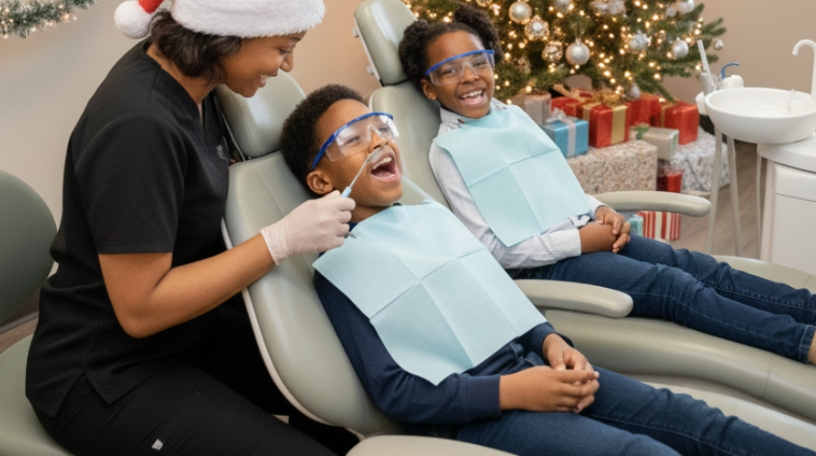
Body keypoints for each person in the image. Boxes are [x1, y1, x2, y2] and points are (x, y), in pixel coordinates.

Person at [279, 84, 816, 456]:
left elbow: (502, 295)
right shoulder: (340, 270)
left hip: (538, 365)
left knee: (696, 420)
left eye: (380, 127)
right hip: (478, 415)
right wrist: (514, 392)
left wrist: (551, 341)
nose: (378, 140)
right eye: (353, 138)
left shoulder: (427, 218)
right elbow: (396, 393)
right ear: (321, 182)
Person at [25, 0, 360, 456]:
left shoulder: (199, 85)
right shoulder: (140, 126)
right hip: (105, 374)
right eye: (282, 47)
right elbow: (141, 310)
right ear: (227, 33)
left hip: (186, 332)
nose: (287, 65)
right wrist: (278, 241)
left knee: (345, 389)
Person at [395, 4, 816, 365]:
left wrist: (598, 209)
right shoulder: (447, 152)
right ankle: (802, 342)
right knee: (673, 286)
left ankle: (809, 309)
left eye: (478, 62)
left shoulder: (511, 116)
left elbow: (556, 183)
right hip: (548, 263)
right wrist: (580, 241)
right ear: (429, 87)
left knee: (694, 264)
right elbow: (491, 250)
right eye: (450, 71)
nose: (470, 77)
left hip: (587, 229)